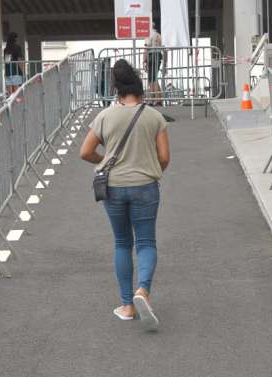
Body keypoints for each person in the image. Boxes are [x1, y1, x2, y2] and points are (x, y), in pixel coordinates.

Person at [79, 59, 170, 330]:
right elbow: (164, 157)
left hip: (113, 187)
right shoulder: (154, 116)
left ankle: (127, 306)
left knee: (121, 243)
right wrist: (151, 169)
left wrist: (105, 159)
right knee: (146, 242)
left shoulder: (105, 116)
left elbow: (85, 152)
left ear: (117, 90)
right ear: (141, 89)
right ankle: (143, 290)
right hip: (145, 185)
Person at [143, 23, 166, 105]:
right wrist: (165, 64)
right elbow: (164, 49)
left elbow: (146, 48)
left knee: (152, 79)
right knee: (154, 78)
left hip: (151, 56)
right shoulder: (159, 35)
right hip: (158, 55)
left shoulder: (148, 34)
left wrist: (144, 60)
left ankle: (155, 99)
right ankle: (157, 99)